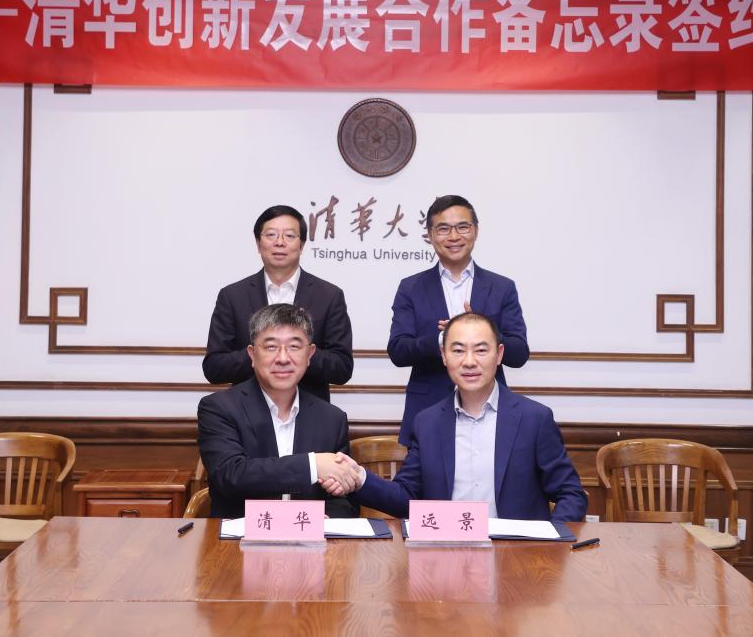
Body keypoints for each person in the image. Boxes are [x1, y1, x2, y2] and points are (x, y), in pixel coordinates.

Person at [355, 312, 585, 523]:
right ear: (444, 356)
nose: (469, 361)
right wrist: (359, 478)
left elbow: (571, 493)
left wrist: (550, 542)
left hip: (518, 552)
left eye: (481, 350)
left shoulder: (534, 418)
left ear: (499, 354)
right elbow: (407, 496)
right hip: (446, 549)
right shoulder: (427, 423)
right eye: (458, 351)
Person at [197, 303, 362, 519]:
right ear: (252, 354)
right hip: (241, 537)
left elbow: (346, 502)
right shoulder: (219, 408)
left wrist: (326, 517)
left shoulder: (332, 418)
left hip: (309, 536)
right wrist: (313, 466)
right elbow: (231, 476)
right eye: (271, 347)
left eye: (294, 346)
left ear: (310, 354)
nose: (283, 358)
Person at [387, 195, 529, 446]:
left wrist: (482, 331)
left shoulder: (501, 287)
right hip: (427, 410)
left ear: (476, 231)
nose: (454, 236)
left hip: (491, 411)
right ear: (430, 235)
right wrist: (444, 338)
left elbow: (519, 353)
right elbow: (398, 351)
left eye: (462, 227)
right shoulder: (411, 287)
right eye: (443, 229)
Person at [204, 205, 353, 402]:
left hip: (309, 411)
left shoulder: (328, 295)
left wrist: (298, 351)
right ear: (258, 243)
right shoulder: (232, 296)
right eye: (271, 235)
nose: (280, 242)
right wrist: (261, 353)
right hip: (247, 411)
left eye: (289, 236)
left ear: (301, 244)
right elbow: (214, 367)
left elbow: (342, 368)